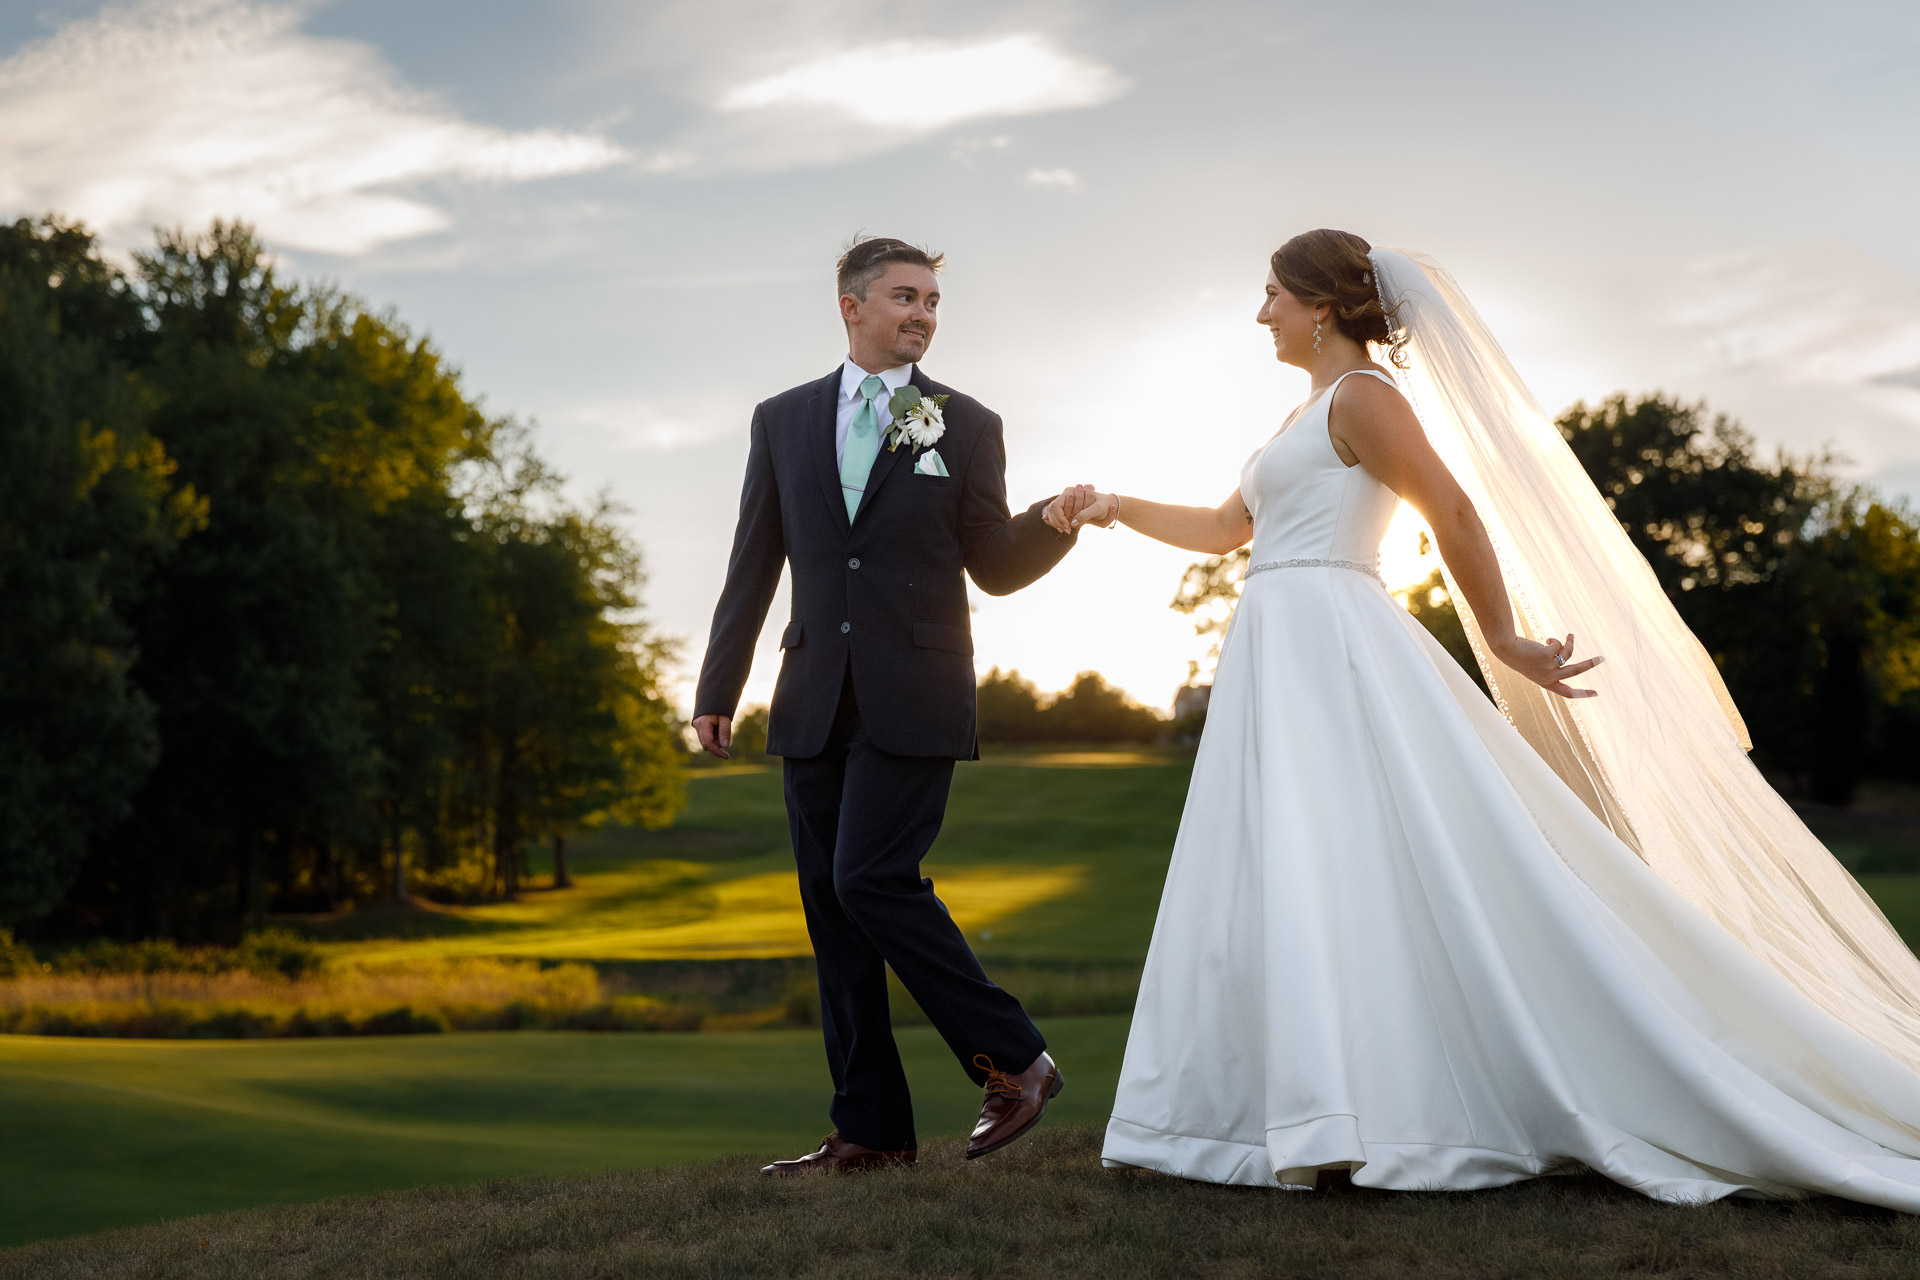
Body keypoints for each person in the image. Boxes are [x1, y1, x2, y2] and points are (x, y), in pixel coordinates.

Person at [1074, 229, 1920, 1209]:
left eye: (1269, 294)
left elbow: (1453, 510)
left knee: (1376, 854)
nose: (1259, 313)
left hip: (1336, 645)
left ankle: (1383, 1107)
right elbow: (1229, 530)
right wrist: (1113, 505)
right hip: (1277, 648)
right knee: (1296, 862)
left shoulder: (1364, 399)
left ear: (1319, 305)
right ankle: (1294, 1109)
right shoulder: (1303, 410)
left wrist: (1506, 637)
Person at [692, 236, 1096, 1176]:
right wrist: (721, 686)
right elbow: (755, 558)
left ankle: (1015, 1061)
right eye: (906, 297)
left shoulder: (965, 421)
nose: (923, 314)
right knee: (833, 914)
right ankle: (870, 1132)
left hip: (916, 691)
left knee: (871, 879)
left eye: (933, 302)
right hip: (811, 699)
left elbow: (993, 566)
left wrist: (1052, 524)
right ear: (852, 305)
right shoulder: (782, 419)